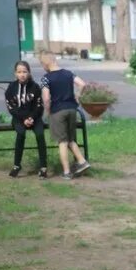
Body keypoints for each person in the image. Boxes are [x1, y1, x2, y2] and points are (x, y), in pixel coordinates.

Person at [39, 51, 92, 179]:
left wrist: (47, 111)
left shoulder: (46, 78)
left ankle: (67, 172)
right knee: (70, 139)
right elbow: (82, 84)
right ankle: (82, 162)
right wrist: (77, 96)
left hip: (57, 111)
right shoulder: (68, 73)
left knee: (62, 142)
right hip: (72, 109)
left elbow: (46, 98)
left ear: (45, 63)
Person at [5, 60, 48, 178]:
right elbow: (11, 107)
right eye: (19, 72)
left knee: (40, 134)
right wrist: (24, 118)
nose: (22, 74)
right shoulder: (11, 87)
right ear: (15, 74)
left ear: (29, 73)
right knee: (21, 133)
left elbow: (39, 106)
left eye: (24, 71)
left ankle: (43, 167)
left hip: (35, 118)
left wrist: (31, 118)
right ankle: (16, 165)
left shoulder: (35, 87)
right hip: (18, 119)